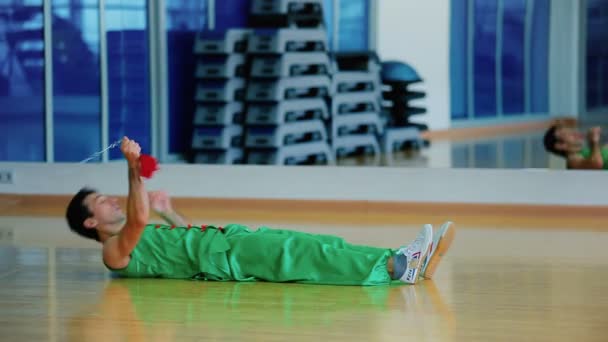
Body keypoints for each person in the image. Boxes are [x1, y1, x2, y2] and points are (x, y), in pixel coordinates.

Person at [65, 137, 455, 286]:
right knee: (307, 256)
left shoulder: (139, 233)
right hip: (226, 259)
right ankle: (398, 265)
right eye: (101, 201)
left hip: (227, 240)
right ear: (90, 221)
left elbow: (183, 235)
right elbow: (135, 219)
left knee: (317, 243)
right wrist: (133, 167)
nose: (111, 200)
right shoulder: (113, 251)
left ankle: (406, 263)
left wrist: (168, 212)